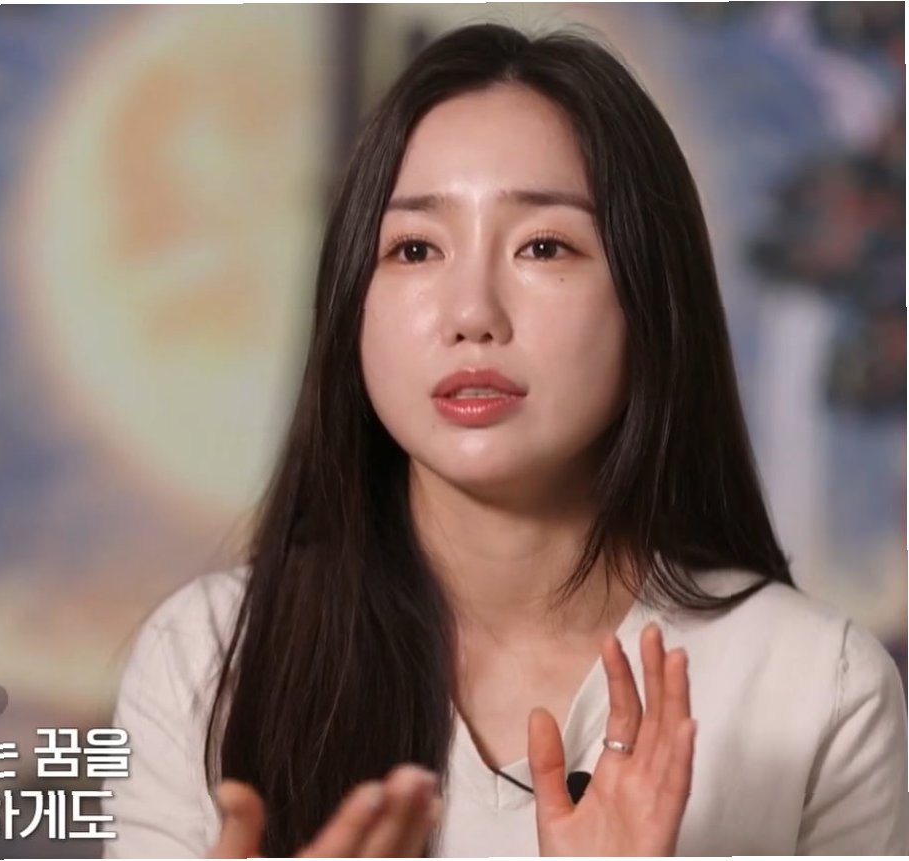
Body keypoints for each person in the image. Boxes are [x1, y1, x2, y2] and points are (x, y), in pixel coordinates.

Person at [101, 23, 909, 857]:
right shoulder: (209, 661)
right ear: (350, 304)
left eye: (544, 246)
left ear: (650, 297)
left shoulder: (817, 687)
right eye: (415, 248)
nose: (472, 314)